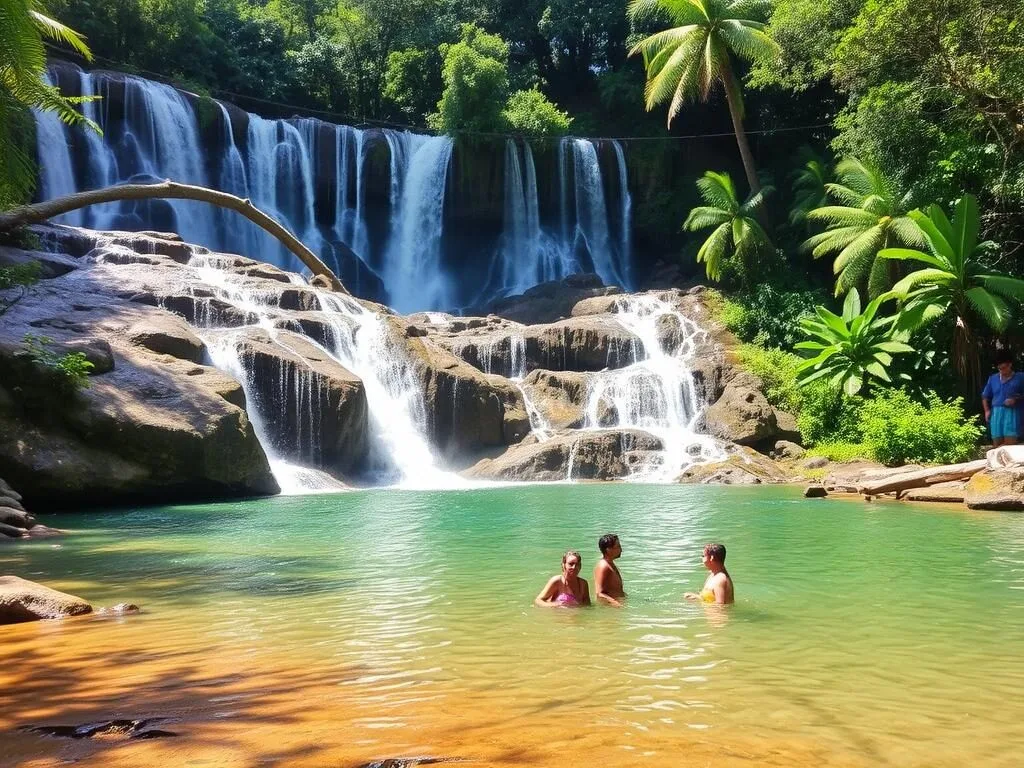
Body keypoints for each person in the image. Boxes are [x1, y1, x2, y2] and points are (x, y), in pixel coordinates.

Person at [982, 351, 1024, 447]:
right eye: (1000, 369)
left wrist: (1016, 399)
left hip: (1013, 413)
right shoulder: (993, 378)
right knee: (997, 443)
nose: (1002, 371)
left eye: (1004, 368)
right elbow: (985, 396)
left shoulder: (1020, 377)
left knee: (1010, 443)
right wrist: (987, 411)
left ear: (1010, 365)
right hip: (996, 413)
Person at [594, 533, 626, 607]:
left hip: (615, 608)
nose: (621, 550)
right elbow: (599, 593)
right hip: (610, 609)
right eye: (618, 547)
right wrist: (616, 604)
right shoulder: (603, 566)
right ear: (608, 550)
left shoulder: (610, 564)